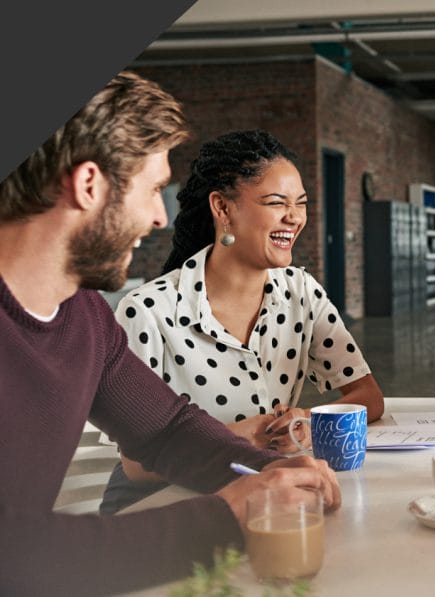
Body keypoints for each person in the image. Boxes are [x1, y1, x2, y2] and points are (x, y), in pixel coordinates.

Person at [0, 71, 341, 596]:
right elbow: (14, 553)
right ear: (89, 184)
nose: (160, 218)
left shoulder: (84, 315)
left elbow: (166, 430)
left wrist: (274, 473)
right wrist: (227, 519)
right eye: (154, 188)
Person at [100, 129, 384, 513]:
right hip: (159, 509)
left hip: (261, 492)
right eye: (275, 202)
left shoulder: (302, 291)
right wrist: (239, 437)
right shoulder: (148, 311)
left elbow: (368, 397)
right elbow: (136, 465)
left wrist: (306, 420)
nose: (295, 217)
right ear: (223, 208)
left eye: (300, 203)